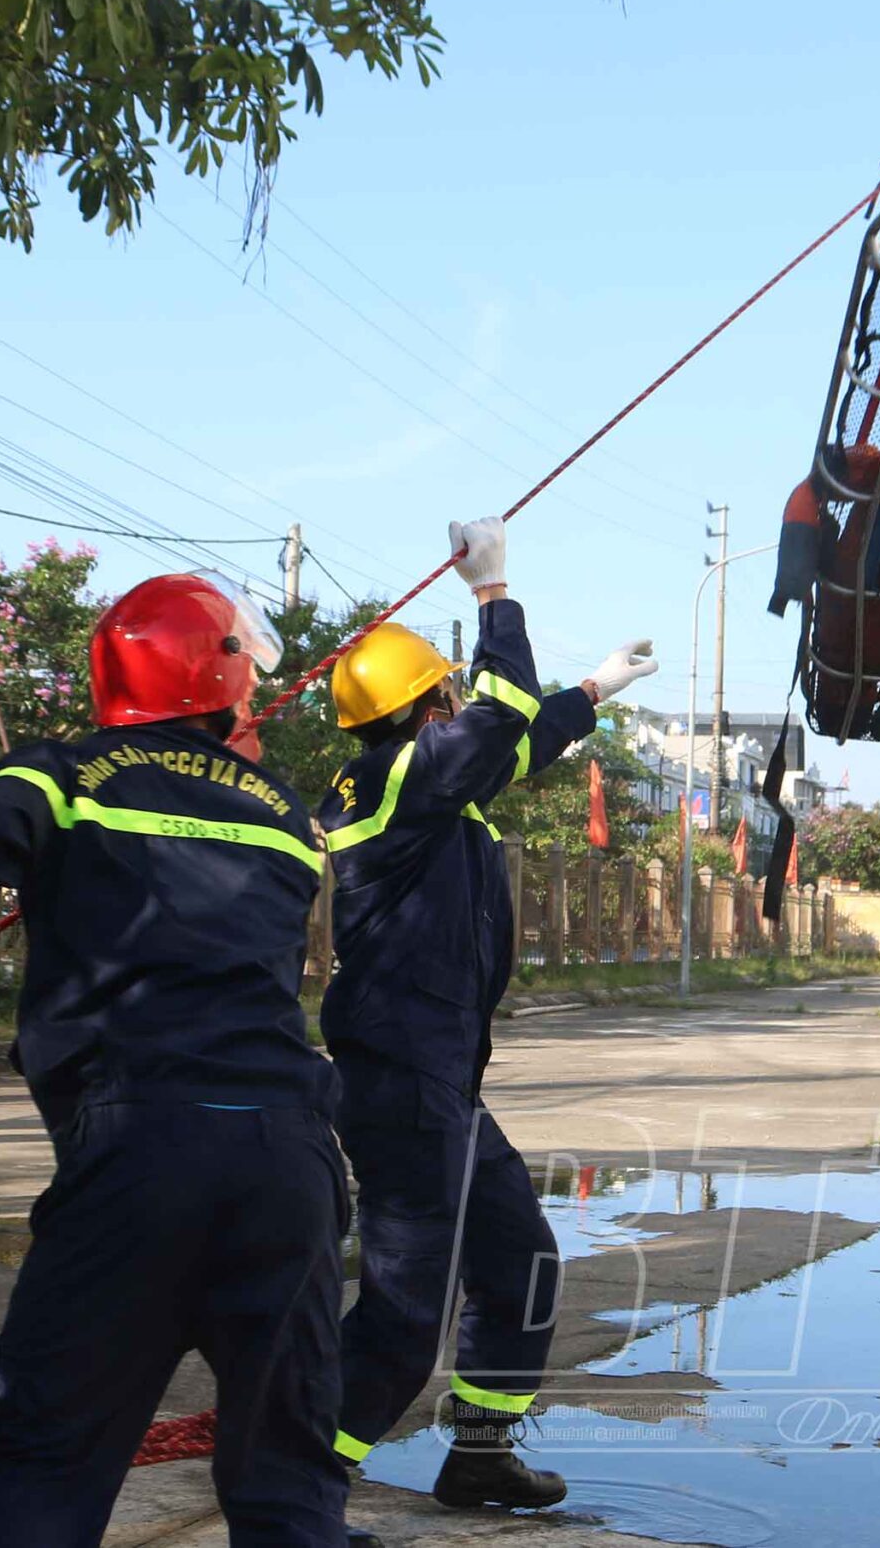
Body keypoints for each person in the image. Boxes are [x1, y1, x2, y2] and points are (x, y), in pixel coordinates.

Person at [0, 571, 351, 1548]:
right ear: (217, 675)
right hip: (287, 1163)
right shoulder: (279, 805)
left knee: (43, 1464)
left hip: (140, 1153)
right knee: (287, 1475)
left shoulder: (66, 774)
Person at [317, 517, 657, 1515]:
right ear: (427, 704)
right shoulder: (392, 783)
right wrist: (492, 593)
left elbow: (517, 737)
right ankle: (301, 1475)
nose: (463, 698)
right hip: (396, 1075)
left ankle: (479, 1452)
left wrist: (593, 691)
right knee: (405, 1302)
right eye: (448, 692)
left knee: (523, 1263)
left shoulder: (430, 789)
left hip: (440, 1082)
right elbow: (500, 720)